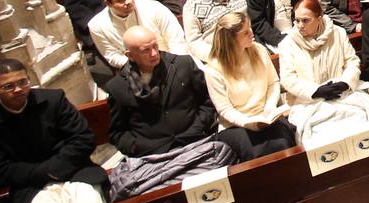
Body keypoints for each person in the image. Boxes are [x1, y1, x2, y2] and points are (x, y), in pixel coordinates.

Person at [0, 59, 107, 203]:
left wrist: (54, 168)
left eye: (23, 82)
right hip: (28, 188)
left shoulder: (54, 99)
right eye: (8, 86)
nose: (18, 89)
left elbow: (83, 139)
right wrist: (45, 173)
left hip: (73, 172)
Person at [105, 26, 256, 161]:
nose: (154, 53)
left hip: (197, 140)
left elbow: (207, 100)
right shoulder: (117, 87)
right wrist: (138, 148)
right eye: (145, 50)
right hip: (153, 156)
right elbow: (118, 132)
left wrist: (200, 126)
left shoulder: (183, 65)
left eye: (155, 46)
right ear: (130, 55)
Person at [277, 0, 369, 141]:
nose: (300, 25)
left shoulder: (337, 33)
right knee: (324, 135)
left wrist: (345, 82)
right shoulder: (287, 45)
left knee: (363, 123)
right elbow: (288, 80)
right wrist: (316, 91)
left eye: (306, 20)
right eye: (297, 20)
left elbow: (352, 61)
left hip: (342, 95)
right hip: (309, 103)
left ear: (319, 18)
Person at [202, 13, 297, 154]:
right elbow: (225, 110)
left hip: (265, 116)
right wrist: (248, 122)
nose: (252, 33)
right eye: (245, 32)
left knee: (283, 141)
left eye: (250, 28)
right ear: (230, 40)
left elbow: (273, 82)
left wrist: (270, 106)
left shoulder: (258, 50)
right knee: (256, 150)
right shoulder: (213, 69)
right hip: (236, 125)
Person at [88, 0, 186, 71]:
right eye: (121, 0)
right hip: (136, 69)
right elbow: (113, 56)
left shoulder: (154, 7)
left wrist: (174, 65)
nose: (129, 2)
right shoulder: (97, 25)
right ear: (108, 4)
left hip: (172, 60)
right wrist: (143, 66)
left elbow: (177, 41)